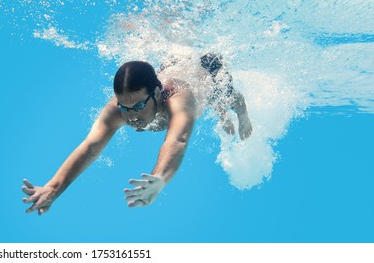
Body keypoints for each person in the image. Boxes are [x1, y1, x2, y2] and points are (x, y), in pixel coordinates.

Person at [22, 54, 252, 215]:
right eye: (124, 107)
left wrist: (160, 178)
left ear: (156, 93)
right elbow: (90, 147)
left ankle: (231, 113)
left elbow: (177, 139)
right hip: (175, 68)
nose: (130, 117)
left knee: (230, 100)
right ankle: (220, 112)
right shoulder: (118, 110)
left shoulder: (180, 99)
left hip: (208, 73)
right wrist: (52, 188)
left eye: (138, 107)